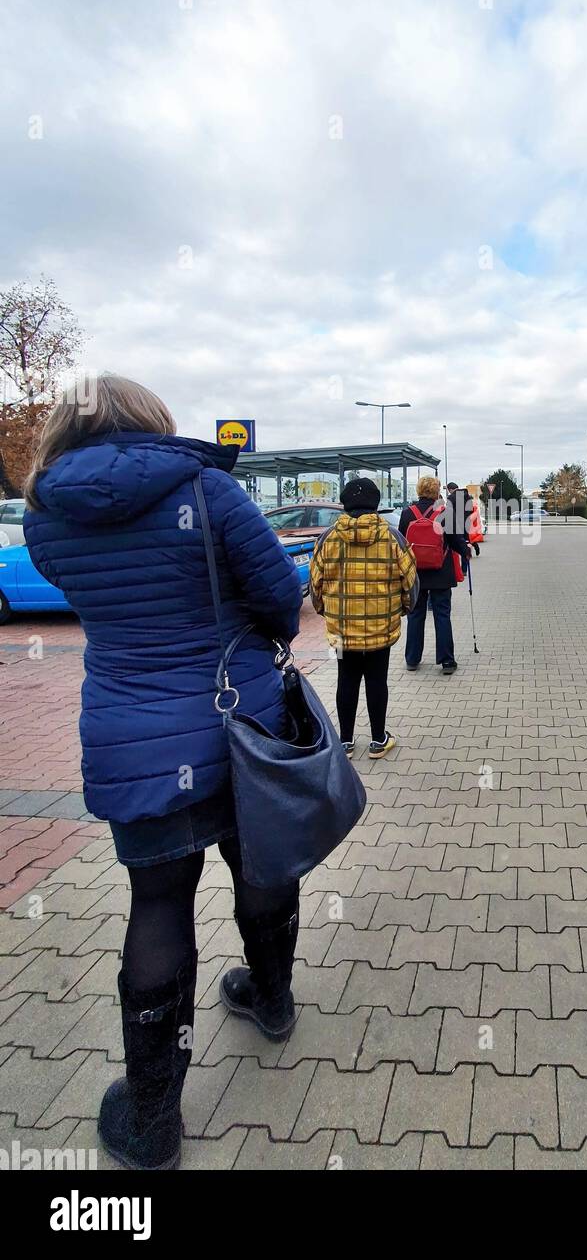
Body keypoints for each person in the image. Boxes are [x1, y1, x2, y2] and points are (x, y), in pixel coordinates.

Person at [22, 373, 304, 1171]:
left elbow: (101, 600)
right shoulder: (209, 488)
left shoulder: (46, 515)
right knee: (262, 861)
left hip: (133, 737)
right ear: (150, 419)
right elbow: (282, 598)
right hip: (239, 723)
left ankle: (151, 1121)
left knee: (157, 901)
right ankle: (272, 1000)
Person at [309, 477, 417, 758]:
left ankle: (345, 742)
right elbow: (410, 581)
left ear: (345, 505)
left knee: (346, 679)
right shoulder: (393, 537)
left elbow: (314, 585)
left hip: (342, 629)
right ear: (376, 504)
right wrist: (403, 609)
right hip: (381, 625)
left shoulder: (327, 538)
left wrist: (325, 611)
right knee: (377, 680)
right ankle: (378, 740)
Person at [399, 475, 469, 673]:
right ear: (437, 491)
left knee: (415, 615)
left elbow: (401, 543)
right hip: (440, 572)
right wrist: (466, 551)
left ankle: (412, 659)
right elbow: (456, 540)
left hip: (416, 574)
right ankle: (447, 661)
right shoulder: (446, 512)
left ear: (419, 491)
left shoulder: (407, 514)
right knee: (442, 615)